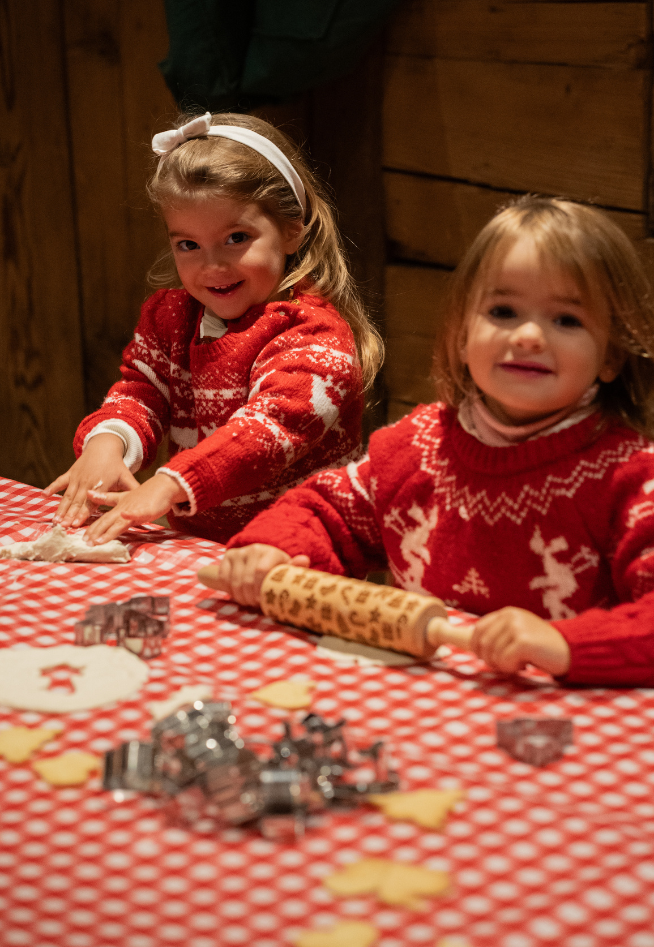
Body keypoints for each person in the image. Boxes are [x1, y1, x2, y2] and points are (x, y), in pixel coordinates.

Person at [213, 196, 654, 687]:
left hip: (553, 720)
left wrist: (566, 645)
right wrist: (273, 548)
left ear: (612, 356)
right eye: (503, 311)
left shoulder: (634, 478)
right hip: (418, 707)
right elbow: (325, 513)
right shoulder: (416, 448)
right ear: (462, 336)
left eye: (566, 320)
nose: (529, 336)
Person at [45, 112, 382, 545]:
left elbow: (265, 432)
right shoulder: (170, 319)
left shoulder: (316, 337)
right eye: (188, 244)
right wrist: (108, 441)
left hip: (304, 551)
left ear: (292, 230)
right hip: (201, 549)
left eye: (236, 238)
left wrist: (169, 485)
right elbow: (142, 393)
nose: (212, 265)